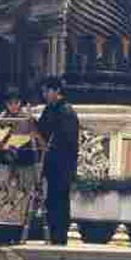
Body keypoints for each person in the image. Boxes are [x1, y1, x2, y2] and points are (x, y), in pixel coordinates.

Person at [0, 87, 40, 238]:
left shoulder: (28, 120)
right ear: (6, 104)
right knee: (1, 196)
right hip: (5, 164)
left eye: (17, 103)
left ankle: (21, 231)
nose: (14, 106)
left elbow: (37, 142)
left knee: (23, 197)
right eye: (11, 103)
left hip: (24, 164)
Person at [37, 77, 79, 245]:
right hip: (51, 164)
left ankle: (59, 238)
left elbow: (66, 140)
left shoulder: (66, 111)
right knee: (52, 202)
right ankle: (53, 237)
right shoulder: (50, 109)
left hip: (62, 165)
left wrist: (49, 146)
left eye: (46, 91)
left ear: (56, 91)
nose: (44, 95)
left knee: (60, 202)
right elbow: (41, 130)